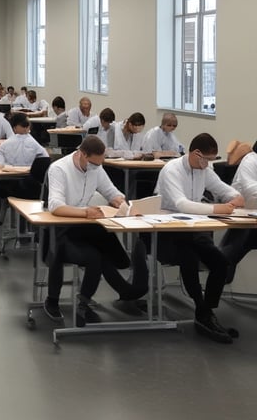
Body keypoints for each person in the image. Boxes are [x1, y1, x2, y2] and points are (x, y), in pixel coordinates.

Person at [44, 135, 148, 326]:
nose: (96, 167)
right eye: (93, 163)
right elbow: (56, 206)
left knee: (106, 252)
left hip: (84, 228)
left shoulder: (96, 167)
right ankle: (74, 302)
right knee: (94, 257)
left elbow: (112, 193)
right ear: (82, 154)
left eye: (99, 164)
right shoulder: (59, 168)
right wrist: (85, 212)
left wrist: (126, 207)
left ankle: (119, 294)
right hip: (61, 229)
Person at [155, 133, 244, 343]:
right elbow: (182, 204)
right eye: (208, 159)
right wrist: (217, 207)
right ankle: (203, 312)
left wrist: (235, 197)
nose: (210, 165)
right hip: (168, 230)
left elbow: (224, 190)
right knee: (189, 260)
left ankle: (206, 311)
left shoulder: (205, 168)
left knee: (221, 263)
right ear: (197, 154)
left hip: (193, 228)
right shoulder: (172, 170)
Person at [221, 147, 257, 283]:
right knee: (232, 252)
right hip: (244, 213)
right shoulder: (251, 161)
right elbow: (251, 191)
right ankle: (223, 270)